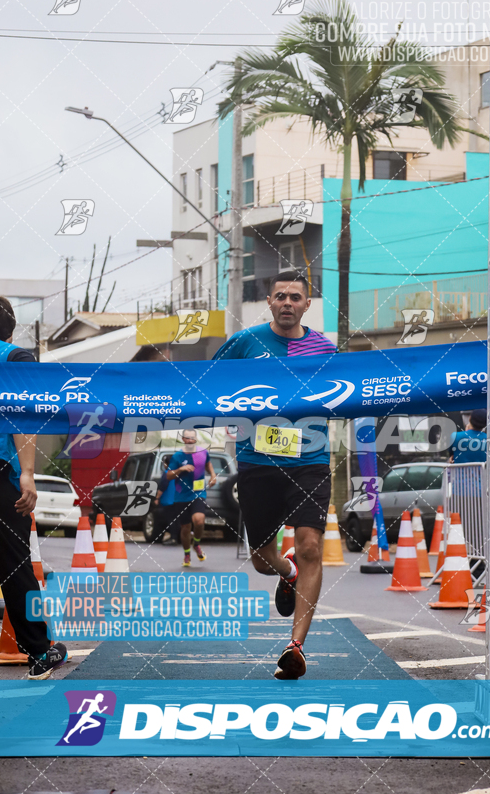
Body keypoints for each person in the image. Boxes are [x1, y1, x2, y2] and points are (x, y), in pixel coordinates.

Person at [212, 270, 336, 680]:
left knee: (310, 546)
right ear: (269, 301)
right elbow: (208, 383)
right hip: (258, 461)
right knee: (263, 560)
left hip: (310, 461)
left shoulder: (323, 348)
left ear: (306, 304)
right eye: (279, 295)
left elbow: (347, 391)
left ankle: (295, 646)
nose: (287, 302)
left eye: (295, 297)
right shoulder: (245, 343)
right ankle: (287, 573)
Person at [0, 296, 67, 679]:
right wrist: (27, 472)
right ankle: (39, 653)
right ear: (9, 328)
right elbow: (23, 416)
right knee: (13, 566)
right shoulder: (14, 360)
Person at [165, 430, 217, 566]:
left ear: (196, 439)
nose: (190, 440)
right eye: (187, 438)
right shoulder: (177, 456)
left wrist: (213, 475)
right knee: (186, 527)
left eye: (192, 438)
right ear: (183, 439)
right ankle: (187, 554)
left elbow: (208, 464)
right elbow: (169, 475)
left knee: (199, 521)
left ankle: (197, 544)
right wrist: (181, 469)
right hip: (181, 496)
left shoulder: (203, 452)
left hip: (198, 493)